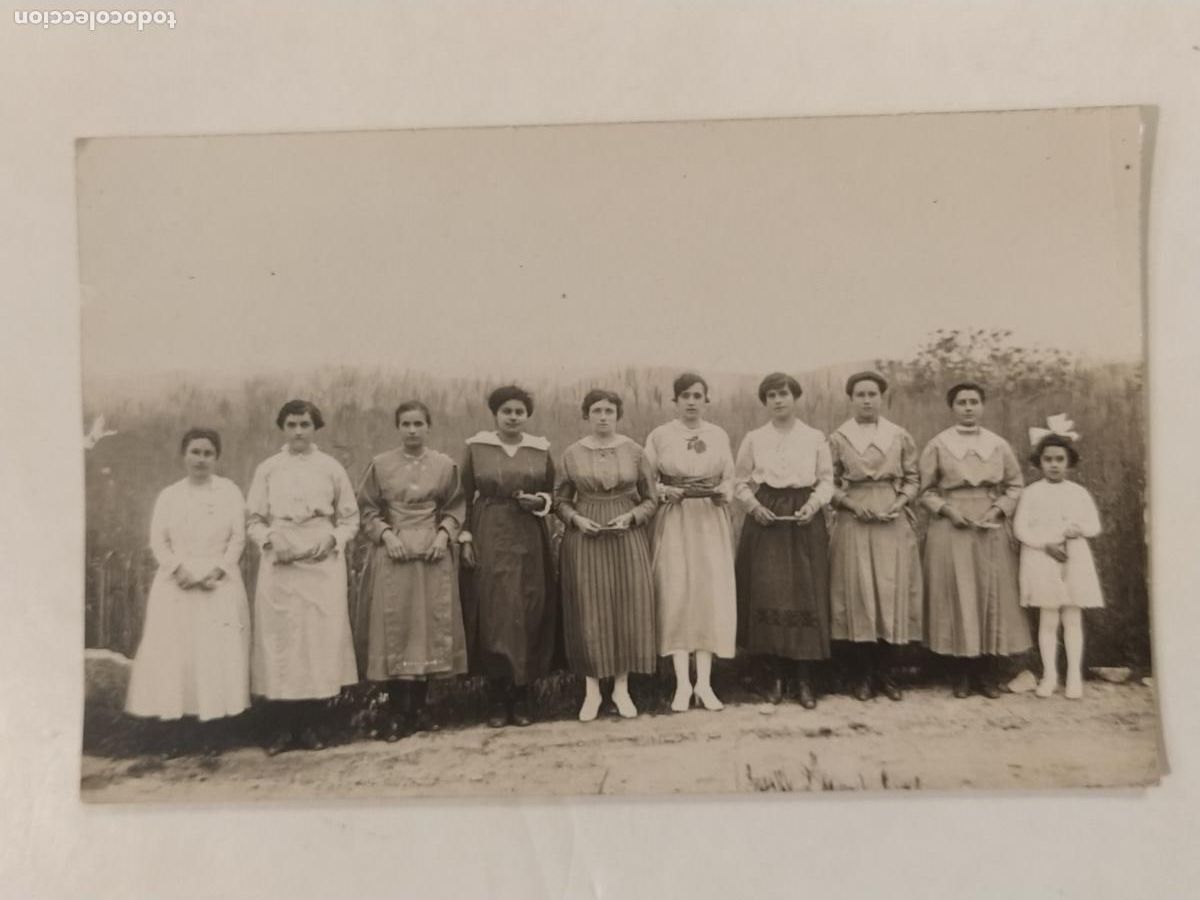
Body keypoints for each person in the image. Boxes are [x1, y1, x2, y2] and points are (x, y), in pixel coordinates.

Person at [125, 428, 251, 756]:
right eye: (195, 452)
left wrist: (218, 570)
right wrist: (178, 570)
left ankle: (212, 733)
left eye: (208, 453)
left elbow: (238, 538)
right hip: (176, 585)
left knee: (213, 655)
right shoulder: (169, 495)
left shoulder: (229, 492)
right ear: (183, 455)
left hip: (217, 583)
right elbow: (158, 540)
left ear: (217, 457)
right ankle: (173, 733)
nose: (201, 459)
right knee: (175, 656)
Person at [246, 400, 360, 754]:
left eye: (305, 425)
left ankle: (313, 724)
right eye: (292, 424)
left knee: (317, 640)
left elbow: (349, 518)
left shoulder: (331, 467)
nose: (298, 432)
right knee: (281, 641)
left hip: (321, 562)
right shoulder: (268, 469)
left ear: (315, 428)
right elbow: (253, 519)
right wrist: (270, 540)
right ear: (283, 428)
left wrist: (332, 539)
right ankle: (281, 728)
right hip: (280, 561)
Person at [355, 401, 466, 741]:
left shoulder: (445, 465)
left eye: (419, 423)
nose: (413, 430)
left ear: (428, 426)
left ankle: (420, 709)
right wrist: (386, 536)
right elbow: (368, 510)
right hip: (395, 553)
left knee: (427, 629)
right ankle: (394, 714)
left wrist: (445, 535)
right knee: (397, 628)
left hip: (433, 554)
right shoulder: (381, 464)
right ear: (398, 427)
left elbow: (456, 506)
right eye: (406, 423)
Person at [919, 382, 1031, 699]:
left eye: (974, 402)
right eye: (961, 402)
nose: (968, 407)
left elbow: (1015, 485)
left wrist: (998, 510)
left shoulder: (998, 445)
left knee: (989, 593)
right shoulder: (938, 444)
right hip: (952, 526)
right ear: (952, 407)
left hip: (988, 526)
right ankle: (960, 674)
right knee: (958, 593)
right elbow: (924, 491)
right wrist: (948, 511)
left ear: (982, 406)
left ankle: (987, 673)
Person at [555, 389, 658, 721]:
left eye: (609, 410)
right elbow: (560, 499)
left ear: (618, 415)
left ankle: (621, 689)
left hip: (626, 536)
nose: (603, 416)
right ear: (586, 415)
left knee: (626, 606)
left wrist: (631, 517)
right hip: (586, 537)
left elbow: (651, 499)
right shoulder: (572, 454)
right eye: (596, 410)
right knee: (590, 608)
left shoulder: (635, 451)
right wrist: (575, 519)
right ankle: (592, 691)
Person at [459, 385, 558, 727]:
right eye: (507, 411)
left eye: (519, 412)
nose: (513, 417)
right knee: (496, 612)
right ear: (495, 415)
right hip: (490, 532)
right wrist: (467, 537)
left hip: (529, 536)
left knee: (528, 607)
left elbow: (553, 493)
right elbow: (464, 495)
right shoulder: (477, 448)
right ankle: (497, 697)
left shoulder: (540, 449)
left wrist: (540, 503)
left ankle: (523, 695)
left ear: (527, 416)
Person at [734, 372, 834, 709]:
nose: (779, 400)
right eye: (772, 395)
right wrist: (755, 507)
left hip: (804, 517)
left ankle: (805, 680)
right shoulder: (754, 438)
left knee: (805, 593)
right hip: (767, 518)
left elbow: (826, 481)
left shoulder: (815, 437)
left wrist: (812, 505)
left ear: (795, 397)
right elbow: (740, 482)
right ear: (765, 402)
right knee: (769, 591)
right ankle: (774, 678)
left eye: (784, 394)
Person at [827, 371, 923, 702]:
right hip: (854, 519)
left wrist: (898, 502)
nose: (867, 400)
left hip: (891, 519)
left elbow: (913, 478)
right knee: (859, 593)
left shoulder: (899, 436)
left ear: (882, 398)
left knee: (889, 592)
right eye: (860, 394)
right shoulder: (838, 437)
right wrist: (851, 504)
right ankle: (862, 674)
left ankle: (887, 673)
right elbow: (827, 482)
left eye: (872, 394)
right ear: (851, 399)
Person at [644, 372, 737, 713]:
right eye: (685, 395)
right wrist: (667, 492)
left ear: (706, 399)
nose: (692, 401)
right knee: (677, 593)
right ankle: (682, 685)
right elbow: (648, 481)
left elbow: (729, 478)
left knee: (708, 597)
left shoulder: (718, 434)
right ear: (675, 400)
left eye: (698, 395)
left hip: (709, 523)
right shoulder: (660, 436)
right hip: (676, 520)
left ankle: (705, 684)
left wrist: (722, 494)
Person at [1013, 420, 1103, 700]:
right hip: (1042, 559)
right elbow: (1021, 529)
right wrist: (1046, 544)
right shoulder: (1031, 493)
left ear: (1069, 462)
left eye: (1059, 459)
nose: (1054, 464)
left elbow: (1094, 526)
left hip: (1074, 559)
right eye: (1048, 459)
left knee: (1073, 618)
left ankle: (1074, 675)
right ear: (1039, 462)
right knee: (1048, 619)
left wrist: (1078, 530)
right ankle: (1050, 675)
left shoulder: (1078, 493)